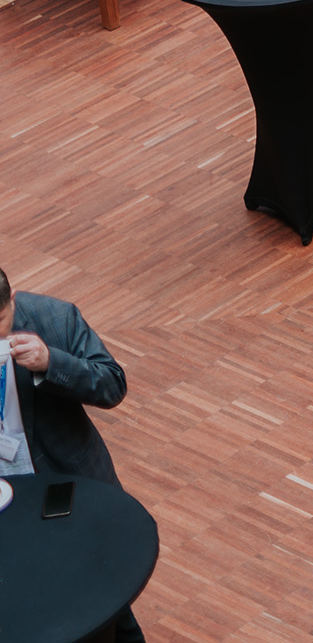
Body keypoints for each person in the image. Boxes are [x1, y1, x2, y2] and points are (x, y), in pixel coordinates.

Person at [2, 269, 143, 642]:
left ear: (12, 301)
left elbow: (111, 384)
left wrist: (51, 363)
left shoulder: (54, 317)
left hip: (62, 488)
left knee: (103, 598)